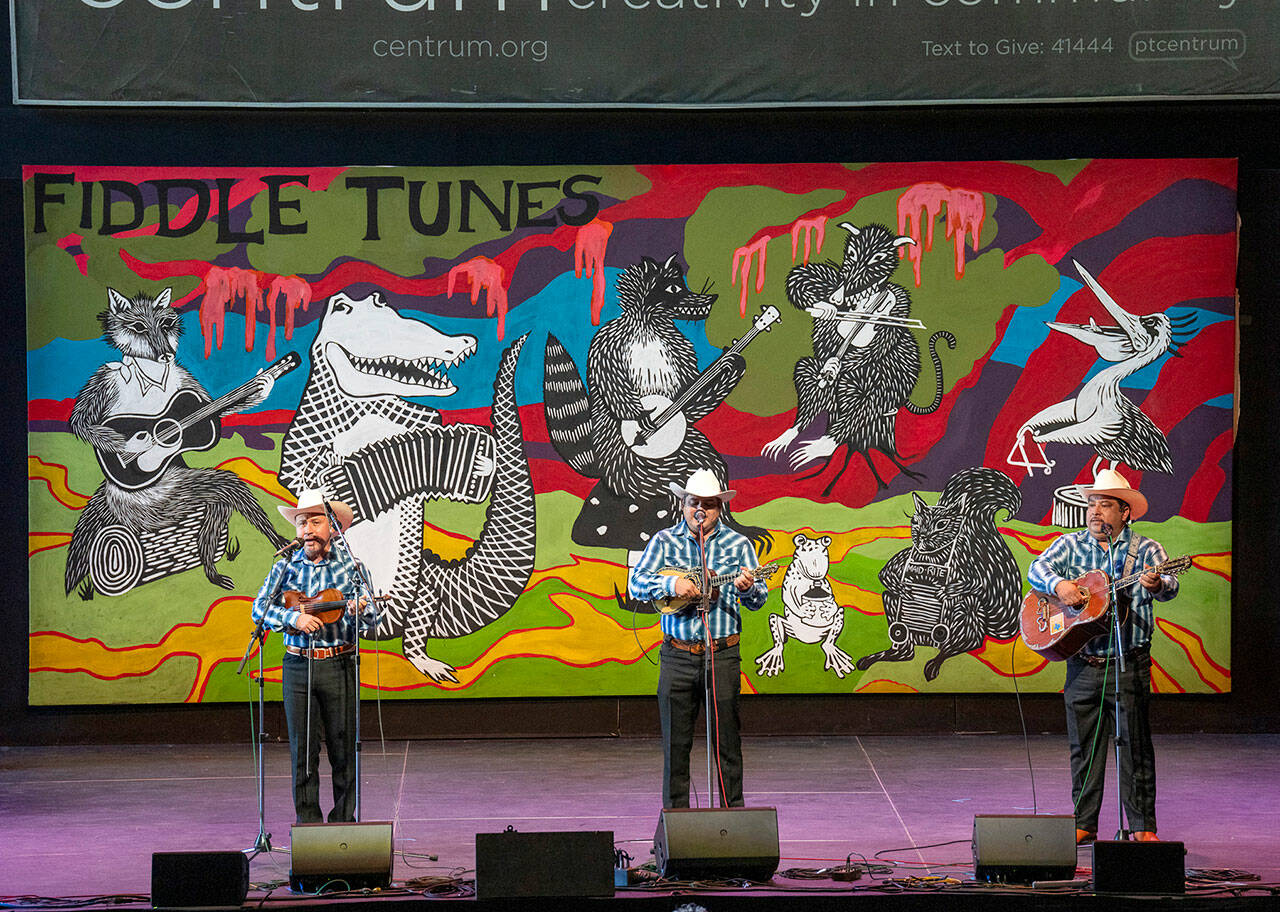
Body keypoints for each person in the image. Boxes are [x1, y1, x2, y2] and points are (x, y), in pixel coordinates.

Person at [1027, 468, 1179, 845]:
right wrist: (1061, 585)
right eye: (1092, 504)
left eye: (1105, 505)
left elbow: (1170, 588)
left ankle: (1143, 826)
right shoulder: (1070, 545)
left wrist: (1158, 582)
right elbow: (1036, 569)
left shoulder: (1146, 550)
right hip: (1083, 663)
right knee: (1084, 747)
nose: (1095, 512)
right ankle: (1084, 823)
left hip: (1128, 661)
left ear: (1124, 512)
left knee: (1135, 745)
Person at [629, 469, 768, 809]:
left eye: (708, 504)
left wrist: (748, 588)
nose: (699, 510)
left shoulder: (739, 545)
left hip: (722, 654)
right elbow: (635, 584)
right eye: (694, 503)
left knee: (727, 745)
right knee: (676, 747)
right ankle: (678, 828)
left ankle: (733, 822)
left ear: (720, 508)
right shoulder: (664, 542)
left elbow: (760, 596)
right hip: (677, 656)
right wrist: (671, 585)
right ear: (683, 504)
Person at [251, 489, 377, 824]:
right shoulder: (284, 568)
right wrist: (294, 618)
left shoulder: (352, 568)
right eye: (302, 522)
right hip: (297, 664)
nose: (307, 529)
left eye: (315, 521)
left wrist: (357, 610)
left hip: (339, 664)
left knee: (343, 750)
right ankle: (308, 828)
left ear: (333, 528)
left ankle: (342, 828)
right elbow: (259, 609)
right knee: (303, 753)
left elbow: (374, 616)